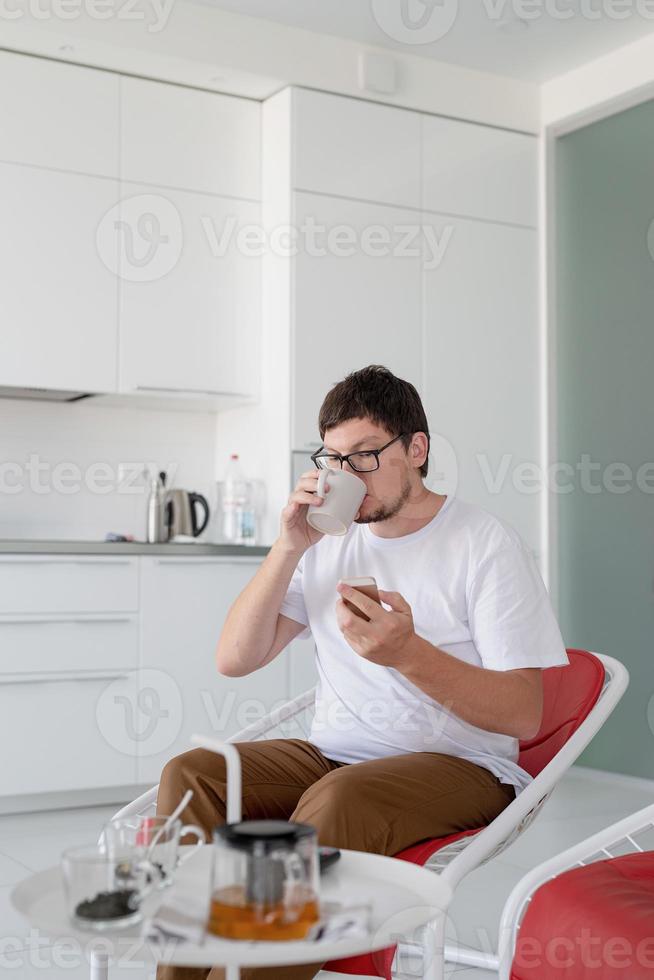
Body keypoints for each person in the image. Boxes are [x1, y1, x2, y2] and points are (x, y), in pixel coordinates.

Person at [156, 364, 568, 980]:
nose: (348, 475)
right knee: (196, 773)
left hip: (465, 766)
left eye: (366, 455)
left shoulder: (485, 544)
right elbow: (235, 659)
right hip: (336, 753)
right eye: (335, 458)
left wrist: (409, 654)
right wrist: (289, 545)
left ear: (417, 449)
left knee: (339, 797)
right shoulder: (330, 542)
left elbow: (523, 713)